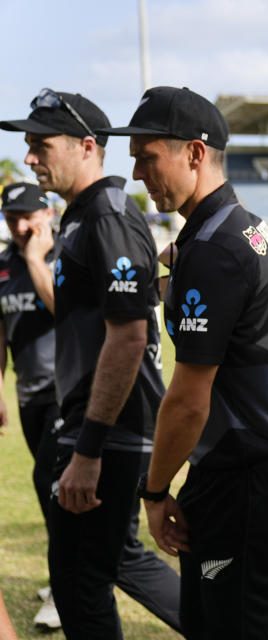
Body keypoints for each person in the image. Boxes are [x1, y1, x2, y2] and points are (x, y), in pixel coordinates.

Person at [100, 85, 268, 640]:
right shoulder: (249, 229)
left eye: (148, 158)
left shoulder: (214, 249)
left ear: (194, 153)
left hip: (240, 482)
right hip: (262, 468)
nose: (140, 175)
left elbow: (189, 400)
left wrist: (153, 491)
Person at [0, 88, 181, 639]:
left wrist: (88, 448)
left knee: (82, 582)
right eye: (27, 145)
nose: (30, 158)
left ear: (86, 146)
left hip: (110, 433)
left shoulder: (106, 216)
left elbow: (127, 338)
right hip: (90, 427)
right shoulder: (82, 218)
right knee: (95, 570)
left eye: (40, 145)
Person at [0, 181, 60, 630]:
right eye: (10, 218)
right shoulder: (2, 265)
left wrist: (36, 260)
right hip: (28, 395)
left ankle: (67, 586)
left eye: (28, 216)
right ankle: (64, 574)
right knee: (46, 490)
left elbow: (64, 308)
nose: (20, 227)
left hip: (67, 394)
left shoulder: (63, 258)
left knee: (53, 486)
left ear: (48, 212)